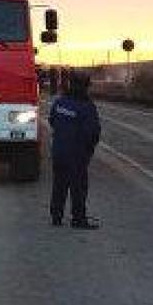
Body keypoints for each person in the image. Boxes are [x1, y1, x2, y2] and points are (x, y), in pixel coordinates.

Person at [49, 72, 101, 229]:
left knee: (59, 184)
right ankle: (78, 219)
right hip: (77, 154)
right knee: (78, 187)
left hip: (58, 151)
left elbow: (52, 120)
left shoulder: (60, 102)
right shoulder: (87, 106)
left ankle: (56, 217)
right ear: (85, 86)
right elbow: (92, 133)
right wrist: (88, 150)